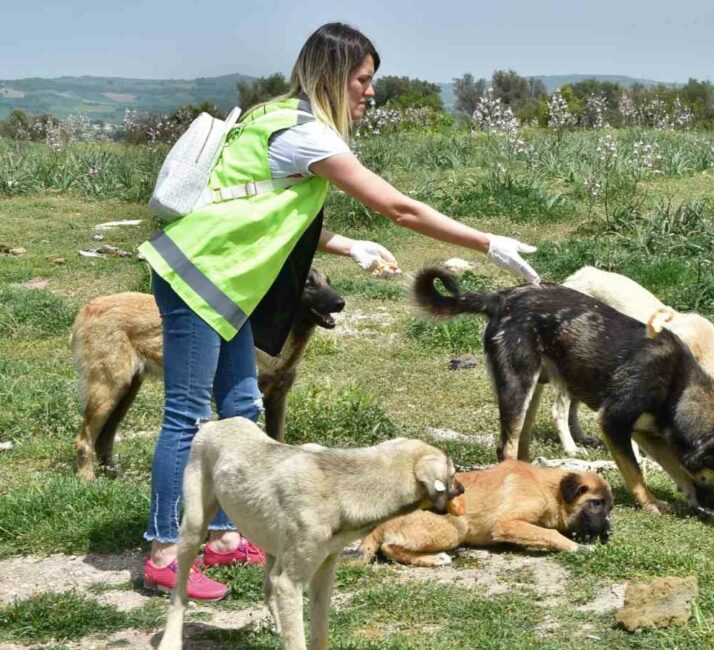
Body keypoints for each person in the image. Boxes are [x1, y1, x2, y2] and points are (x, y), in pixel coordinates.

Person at [136, 22, 540, 599]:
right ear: (333, 75)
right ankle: (163, 549)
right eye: (362, 79)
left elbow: (262, 203)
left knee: (242, 404)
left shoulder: (274, 114)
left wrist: (349, 246)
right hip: (199, 276)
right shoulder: (306, 134)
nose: (369, 92)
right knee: (186, 415)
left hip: (227, 281)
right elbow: (398, 207)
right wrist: (487, 243)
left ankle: (224, 535)